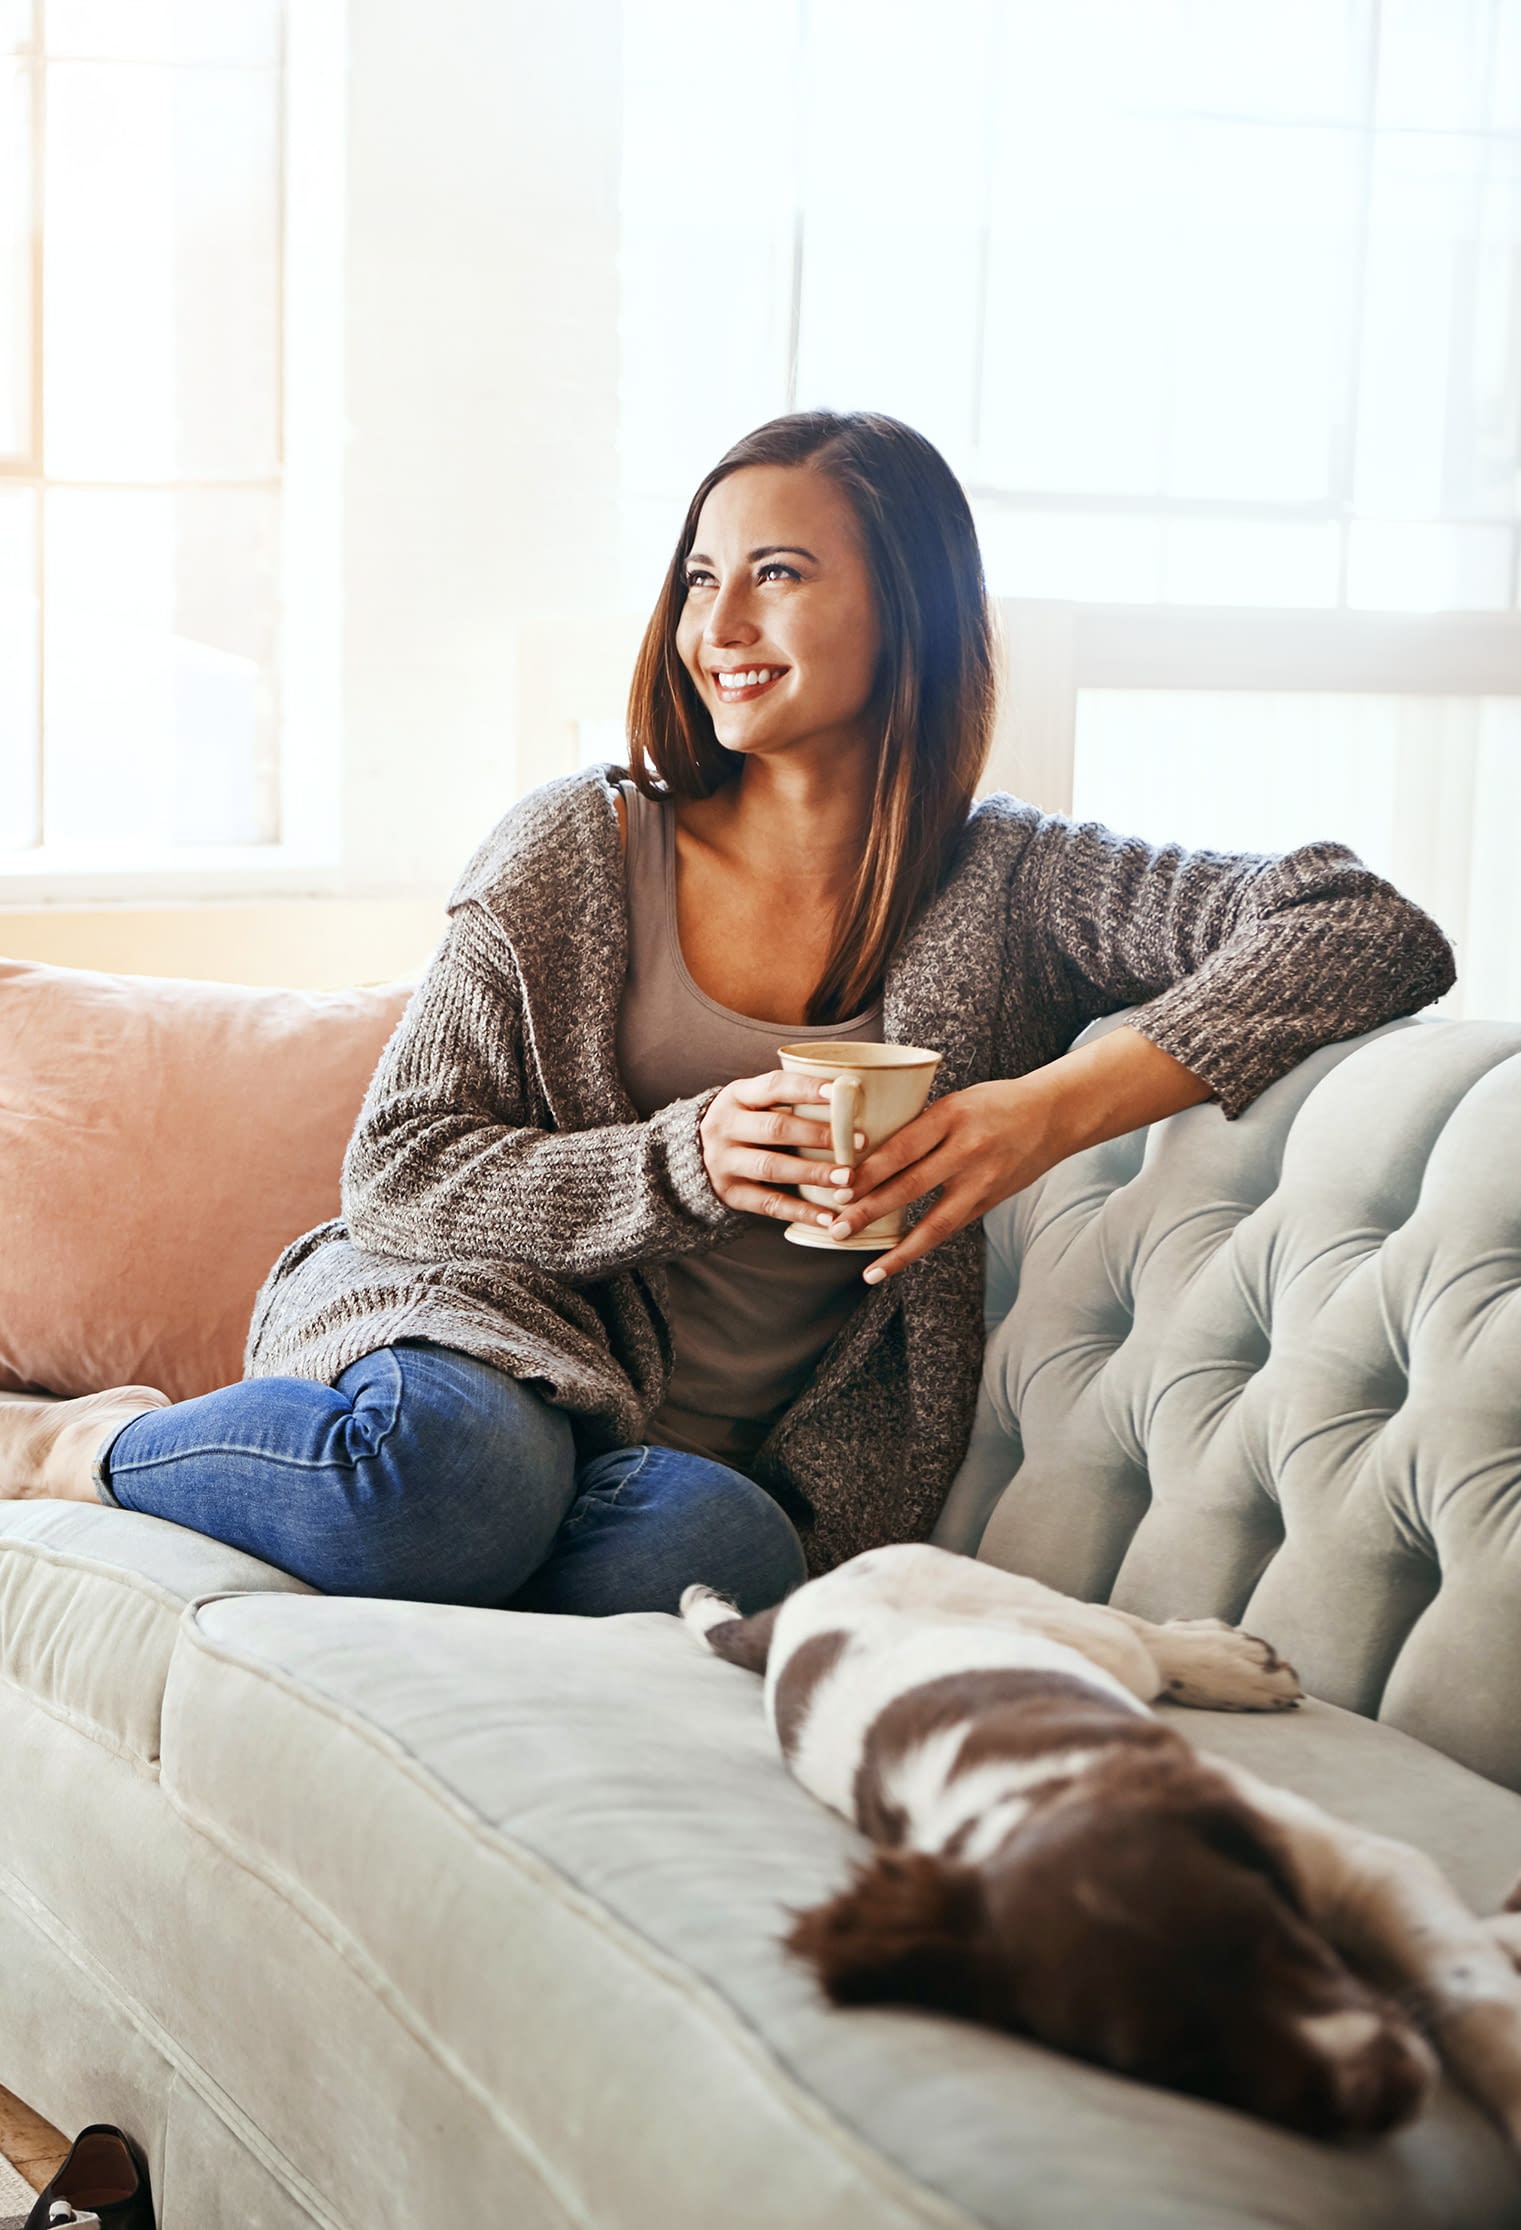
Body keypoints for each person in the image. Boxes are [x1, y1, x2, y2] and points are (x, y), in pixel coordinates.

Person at [0, 411, 1455, 1616]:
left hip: (682, 1452)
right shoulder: (577, 845)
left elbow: (1360, 923)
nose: (723, 623)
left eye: (776, 574)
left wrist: (1036, 1113)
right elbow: (401, 1169)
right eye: (700, 579)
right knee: (451, 1482)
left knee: (721, 1557)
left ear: (911, 603)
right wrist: (685, 1156)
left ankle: (377, 1521)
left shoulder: (1014, 883)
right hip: (476, 1327)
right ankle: (78, 1445)